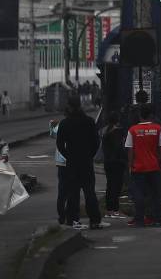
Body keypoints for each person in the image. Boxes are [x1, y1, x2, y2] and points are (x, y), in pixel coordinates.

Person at [56, 95, 103, 230]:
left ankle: (73, 220)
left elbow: (60, 144)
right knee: (90, 192)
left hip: (72, 163)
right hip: (86, 162)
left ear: (69, 107)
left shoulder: (65, 123)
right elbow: (96, 142)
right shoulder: (89, 121)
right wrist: (89, 155)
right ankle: (94, 220)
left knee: (73, 193)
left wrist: (68, 155)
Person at [124, 103, 161, 227]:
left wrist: (130, 165)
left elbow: (130, 149)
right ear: (151, 115)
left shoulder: (132, 130)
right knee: (155, 194)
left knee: (139, 194)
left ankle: (139, 219)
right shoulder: (158, 128)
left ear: (140, 115)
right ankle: (156, 219)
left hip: (138, 168)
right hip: (154, 166)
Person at [101, 111, 127, 217]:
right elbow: (119, 148)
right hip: (117, 162)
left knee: (110, 185)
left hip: (108, 162)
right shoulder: (119, 132)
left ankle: (109, 209)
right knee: (117, 186)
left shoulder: (105, 131)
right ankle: (115, 209)